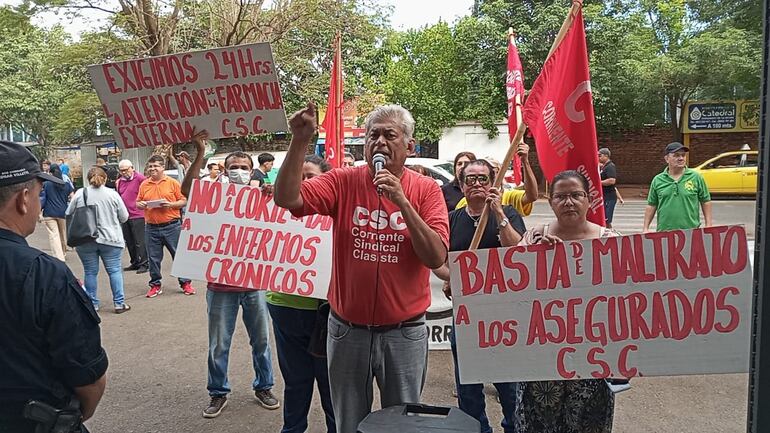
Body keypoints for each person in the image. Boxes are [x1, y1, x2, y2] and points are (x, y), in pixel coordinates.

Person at [275, 103, 449, 433]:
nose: (380, 142)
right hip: (346, 332)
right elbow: (287, 198)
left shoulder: (426, 190)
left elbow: (435, 257)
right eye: (373, 136)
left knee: (402, 425)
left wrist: (402, 203)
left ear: (409, 146)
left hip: (404, 334)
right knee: (349, 423)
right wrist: (299, 140)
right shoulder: (343, 181)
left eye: (390, 135)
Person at [0, 140, 107, 432]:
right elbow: (89, 377)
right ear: (23, 199)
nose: (38, 204)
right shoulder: (43, 273)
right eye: (39, 194)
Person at [180, 131, 279, 419]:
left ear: (252, 171)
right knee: (219, 344)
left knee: (261, 341)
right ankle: (218, 392)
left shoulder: (263, 197)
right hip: (220, 285)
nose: (238, 172)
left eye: (244, 167)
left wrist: (272, 195)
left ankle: (264, 386)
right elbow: (187, 191)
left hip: (254, 284)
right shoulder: (214, 196)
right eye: (233, 167)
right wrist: (200, 154)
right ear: (225, 171)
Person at [514, 170, 617, 433]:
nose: (568, 202)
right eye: (560, 196)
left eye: (576, 195)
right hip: (541, 362)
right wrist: (535, 258)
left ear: (589, 200)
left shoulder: (611, 243)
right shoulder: (534, 239)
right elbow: (511, 292)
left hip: (592, 360)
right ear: (551, 202)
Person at [433, 159, 526, 433]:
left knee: (510, 386)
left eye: (482, 179)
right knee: (468, 388)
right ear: (461, 186)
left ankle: (514, 428)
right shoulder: (451, 220)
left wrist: (498, 214)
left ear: (493, 183)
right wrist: (452, 277)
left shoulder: (508, 213)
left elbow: (518, 251)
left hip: (505, 319)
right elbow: (436, 259)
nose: (476, 185)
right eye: (470, 180)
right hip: (466, 319)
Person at [267, 154, 336, 433]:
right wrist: (262, 201)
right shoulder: (277, 204)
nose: (305, 182)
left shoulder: (336, 207)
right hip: (284, 305)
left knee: (331, 385)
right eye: (300, 176)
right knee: (296, 382)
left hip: (325, 310)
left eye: (311, 176)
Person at [67, 167, 131, 314]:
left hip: (85, 239)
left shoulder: (79, 194)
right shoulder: (112, 194)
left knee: (90, 272)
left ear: (88, 179)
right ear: (105, 179)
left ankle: (92, 304)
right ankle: (119, 304)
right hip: (111, 239)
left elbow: (68, 212)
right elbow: (124, 217)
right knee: (114, 271)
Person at [137, 155, 194, 297]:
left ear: (163, 167)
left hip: (172, 226)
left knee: (178, 255)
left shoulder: (172, 183)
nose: (152, 169)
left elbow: (184, 200)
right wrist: (141, 204)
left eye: (156, 166)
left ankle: (185, 283)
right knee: (153, 258)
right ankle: (155, 284)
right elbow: (138, 202)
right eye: (150, 166)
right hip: (151, 227)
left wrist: (171, 205)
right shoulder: (144, 184)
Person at [643, 142, 712, 233]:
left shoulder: (696, 177)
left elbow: (705, 201)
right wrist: (645, 228)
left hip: (691, 232)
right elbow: (652, 205)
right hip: (664, 232)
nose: (681, 158)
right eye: (676, 155)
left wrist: (708, 225)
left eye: (683, 155)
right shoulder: (658, 180)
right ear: (667, 159)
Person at [454, 143, 538, 216]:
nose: (478, 183)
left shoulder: (509, 196)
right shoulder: (464, 203)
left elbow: (532, 196)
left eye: (494, 171)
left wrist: (525, 162)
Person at [116, 159, 149, 274]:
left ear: (132, 168)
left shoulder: (140, 179)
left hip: (138, 214)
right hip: (125, 215)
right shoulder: (120, 182)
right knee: (129, 240)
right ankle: (134, 261)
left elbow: (147, 193)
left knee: (139, 241)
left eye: (126, 169)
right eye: (122, 170)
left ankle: (144, 263)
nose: (124, 172)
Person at [40, 163, 73, 261]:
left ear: (51, 173)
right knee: (63, 234)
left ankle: (59, 257)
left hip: (49, 213)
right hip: (62, 213)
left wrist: (39, 211)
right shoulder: (66, 185)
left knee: (54, 235)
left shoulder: (46, 184)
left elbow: (42, 198)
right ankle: (63, 253)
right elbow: (73, 197)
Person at [599, 147, 618, 228]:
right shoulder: (604, 166)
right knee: (604, 219)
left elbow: (612, 180)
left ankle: (610, 234)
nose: (598, 157)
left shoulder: (610, 166)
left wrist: (598, 183)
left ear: (606, 156)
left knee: (607, 220)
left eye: (600, 155)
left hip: (609, 196)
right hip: (605, 196)